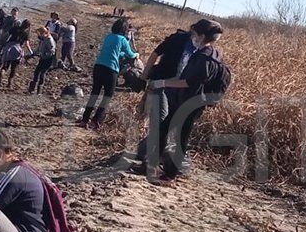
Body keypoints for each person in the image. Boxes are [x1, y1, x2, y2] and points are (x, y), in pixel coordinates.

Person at [147, 19, 229, 180]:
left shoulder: (203, 58)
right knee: (171, 132)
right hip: (196, 101)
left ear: (202, 35)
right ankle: (157, 166)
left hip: (190, 102)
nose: (193, 37)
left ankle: (168, 173)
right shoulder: (215, 54)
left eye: (195, 34)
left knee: (176, 135)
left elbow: (188, 82)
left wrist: (162, 82)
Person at [131, 20, 200, 174]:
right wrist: (143, 77)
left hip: (177, 90)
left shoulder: (201, 50)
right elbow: (155, 53)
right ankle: (150, 159)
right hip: (160, 85)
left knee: (167, 123)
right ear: (194, 30)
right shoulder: (178, 39)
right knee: (160, 120)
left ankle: (149, 154)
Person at [78, 17, 138, 129]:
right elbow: (130, 54)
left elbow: (113, 52)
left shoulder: (108, 37)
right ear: (124, 29)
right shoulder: (122, 39)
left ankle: (84, 119)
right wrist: (137, 55)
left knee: (94, 93)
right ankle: (95, 121)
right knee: (107, 96)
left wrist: (120, 55)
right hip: (111, 70)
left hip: (98, 66)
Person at [0, 22, 30, 89]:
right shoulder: (26, 33)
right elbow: (27, 44)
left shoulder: (15, 28)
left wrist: (2, 42)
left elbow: (6, 35)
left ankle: (1, 74)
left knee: (5, 65)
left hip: (9, 47)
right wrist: (31, 52)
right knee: (13, 68)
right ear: (27, 27)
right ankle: (9, 83)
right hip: (17, 49)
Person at [26, 25, 57, 94]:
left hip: (48, 59)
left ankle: (39, 91)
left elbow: (52, 51)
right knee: (36, 72)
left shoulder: (49, 40)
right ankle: (32, 90)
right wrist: (32, 54)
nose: (38, 35)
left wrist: (44, 54)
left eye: (39, 33)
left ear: (43, 33)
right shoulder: (43, 39)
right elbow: (38, 49)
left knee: (42, 73)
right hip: (43, 58)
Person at [0, 6, 21, 71]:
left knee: (4, 54)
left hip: (10, 40)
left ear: (17, 13)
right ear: (11, 12)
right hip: (2, 37)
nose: (14, 13)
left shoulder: (18, 22)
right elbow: (2, 26)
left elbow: (18, 32)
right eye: (13, 11)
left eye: (15, 12)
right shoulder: (7, 18)